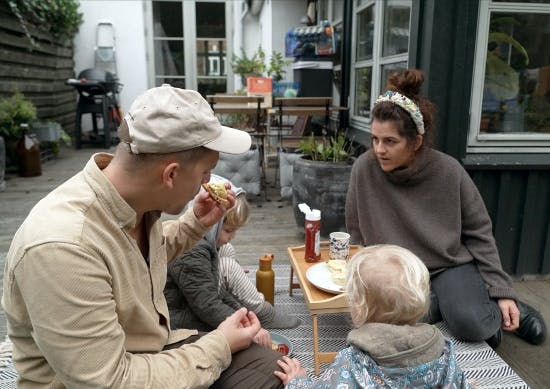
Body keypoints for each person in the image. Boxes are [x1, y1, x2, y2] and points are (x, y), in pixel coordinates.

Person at [1, 84, 284, 388]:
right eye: (206, 172)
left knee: (269, 367)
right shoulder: (62, 247)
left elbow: (140, 254)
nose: (207, 183)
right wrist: (219, 345)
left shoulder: (132, 203)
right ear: (170, 174)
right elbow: (111, 381)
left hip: (146, 347)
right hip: (106, 377)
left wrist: (193, 225)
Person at [345, 68, 546, 348]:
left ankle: (507, 309)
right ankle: (445, 304)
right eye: (375, 139)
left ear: (415, 141)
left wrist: (503, 290)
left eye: (390, 141)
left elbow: (479, 232)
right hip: (397, 271)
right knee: (380, 325)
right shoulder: (363, 169)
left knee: (472, 325)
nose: (379, 149)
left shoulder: (449, 171)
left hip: (447, 265)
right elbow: (356, 234)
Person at [275, 244, 475, 388]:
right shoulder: (442, 351)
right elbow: (455, 381)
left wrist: (298, 382)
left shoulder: (352, 363)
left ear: (358, 309)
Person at [164, 174, 300, 333]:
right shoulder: (191, 251)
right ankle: (263, 312)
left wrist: (240, 311)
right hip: (178, 314)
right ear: (212, 224)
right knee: (228, 267)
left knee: (227, 249)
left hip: (193, 296)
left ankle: (249, 305)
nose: (232, 236)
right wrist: (245, 325)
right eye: (228, 230)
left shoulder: (203, 240)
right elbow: (207, 305)